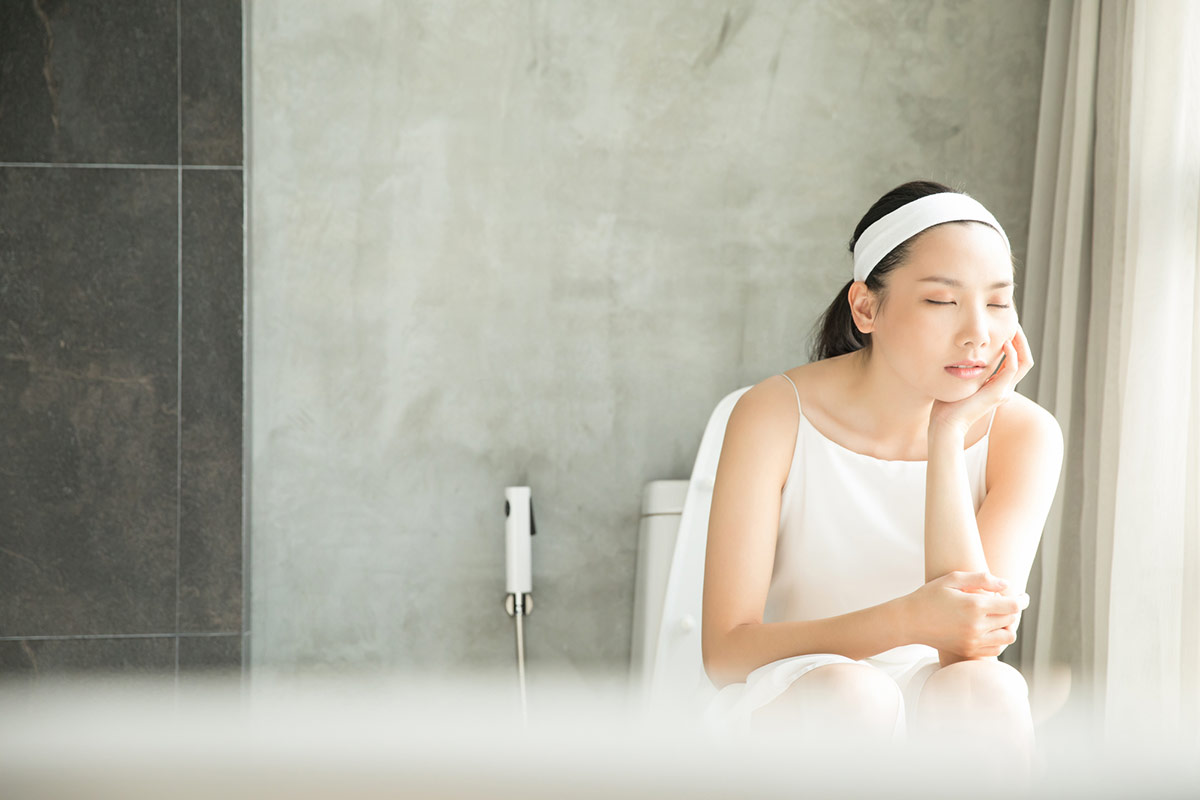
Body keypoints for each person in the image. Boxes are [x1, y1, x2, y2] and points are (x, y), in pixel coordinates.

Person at [698, 179, 1064, 775]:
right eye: (942, 301)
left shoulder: (1026, 434)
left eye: (999, 303)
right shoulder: (774, 413)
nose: (978, 332)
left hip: (930, 693)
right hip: (788, 693)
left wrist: (947, 434)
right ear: (866, 307)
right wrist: (907, 620)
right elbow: (725, 654)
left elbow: (967, 647)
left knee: (988, 690)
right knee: (853, 696)